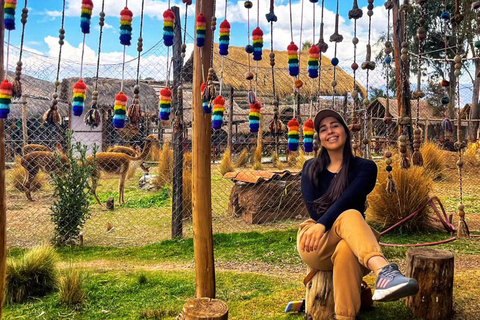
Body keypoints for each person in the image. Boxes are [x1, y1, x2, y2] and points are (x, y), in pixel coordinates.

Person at [298, 109, 419, 320]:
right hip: (315, 241)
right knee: (350, 214)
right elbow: (316, 213)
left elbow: (348, 200)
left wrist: (326, 222)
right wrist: (320, 225)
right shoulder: (310, 168)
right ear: (320, 138)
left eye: (335, 125)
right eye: (324, 129)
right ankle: (384, 272)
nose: (330, 132)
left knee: (346, 240)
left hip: (355, 245)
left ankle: (344, 316)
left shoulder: (365, 168)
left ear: (345, 131)